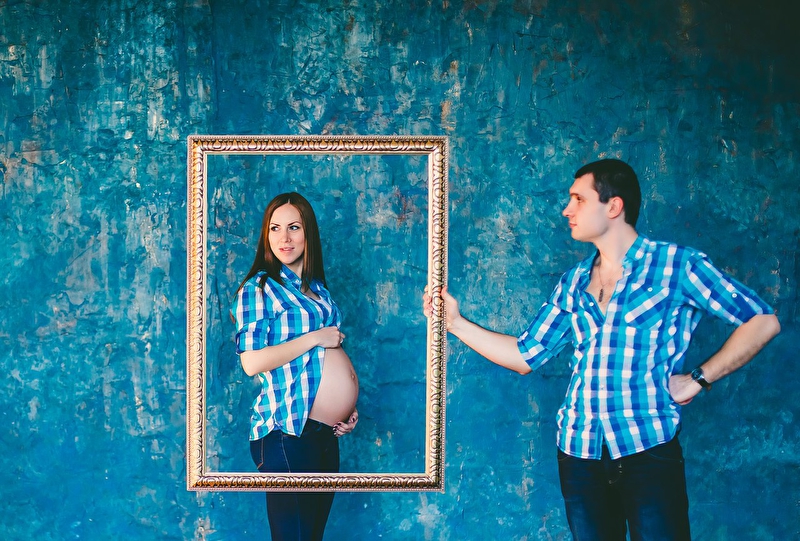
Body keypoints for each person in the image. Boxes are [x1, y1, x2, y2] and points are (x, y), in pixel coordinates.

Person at [424, 159, 780, 540]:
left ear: (613, 206)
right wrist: (455, 324)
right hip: (580, 455)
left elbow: (763, 321)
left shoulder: (677, 266)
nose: (567, 210)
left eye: (578, 199)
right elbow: (525, 356)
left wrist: (698, 378)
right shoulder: (574, 282)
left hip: (647, 450)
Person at [231, 192, 359, 541]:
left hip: (323, 434)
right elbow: (251, 362)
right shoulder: (260, 288)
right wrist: (315, 337)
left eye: (294, 227)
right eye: (275, 228)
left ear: (308, 233)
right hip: (287, 432)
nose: (284, 238)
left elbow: (322, 361)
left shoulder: (318, 290)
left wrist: (346, 408)